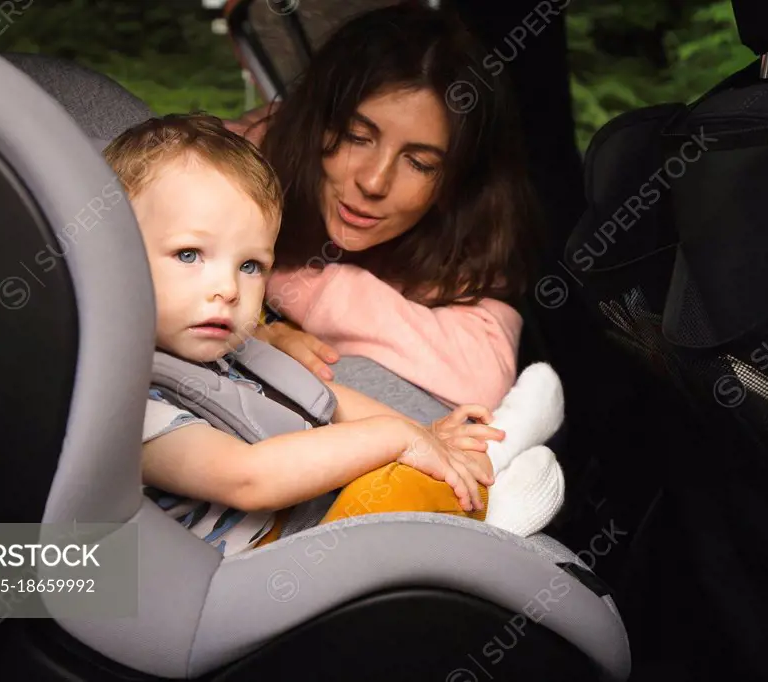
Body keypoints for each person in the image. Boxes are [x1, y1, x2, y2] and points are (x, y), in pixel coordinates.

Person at [103, 113, 510, 556]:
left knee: (427, 475)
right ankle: (500, 512)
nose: (228, 289)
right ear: (113, 258)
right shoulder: (130, 401)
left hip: (298, 524)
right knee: (407, 495)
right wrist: (395, 437)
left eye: (250, 266)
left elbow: (326, 401)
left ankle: (489, 490)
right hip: (234, 580)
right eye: (188, 254)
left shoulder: (231, 353)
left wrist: (426, 434)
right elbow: (247, 478)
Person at [227, 4, 544, 411]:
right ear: (315, 122)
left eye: (419, 163)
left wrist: (308, 286)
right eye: (358, 136)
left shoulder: (461, 237)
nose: (374, 182)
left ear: (455, 181)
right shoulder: (233, 168)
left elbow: (481, 376)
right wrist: (249, 338)